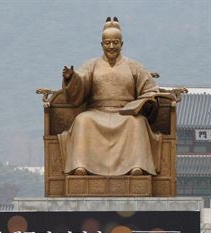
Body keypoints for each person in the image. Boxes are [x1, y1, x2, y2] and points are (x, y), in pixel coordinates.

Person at [57, 17, 162, 176]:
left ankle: (136, 167)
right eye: (107, 43)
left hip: (125, 114)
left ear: (121, 44)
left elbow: (150, 89)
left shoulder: (134, 66)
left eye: (115, 43)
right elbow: (80, 83)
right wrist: (71, 78)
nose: (111, 46)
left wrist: (145, 101)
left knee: (138, 123)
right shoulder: (91, 65)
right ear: (102, 44)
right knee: (82, 120)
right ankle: (81, 166)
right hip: (96, 112)